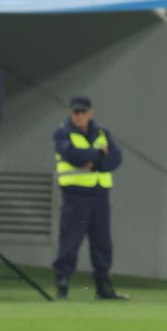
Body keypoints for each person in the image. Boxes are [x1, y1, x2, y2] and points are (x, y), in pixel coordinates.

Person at [52, 96, 127, 301]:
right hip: (75, 195)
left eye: (83, 112)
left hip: (99, 194)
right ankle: (62, 283)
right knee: (70, 241)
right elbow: (73, 156)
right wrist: (98, 153)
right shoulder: (62, 133)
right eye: (76, 112)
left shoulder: (103, 132)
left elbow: (116, 158)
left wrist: (94, 163)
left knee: (102, 241)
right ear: (70, 113)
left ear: (90, 113)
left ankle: (103, 287)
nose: (79, 116)